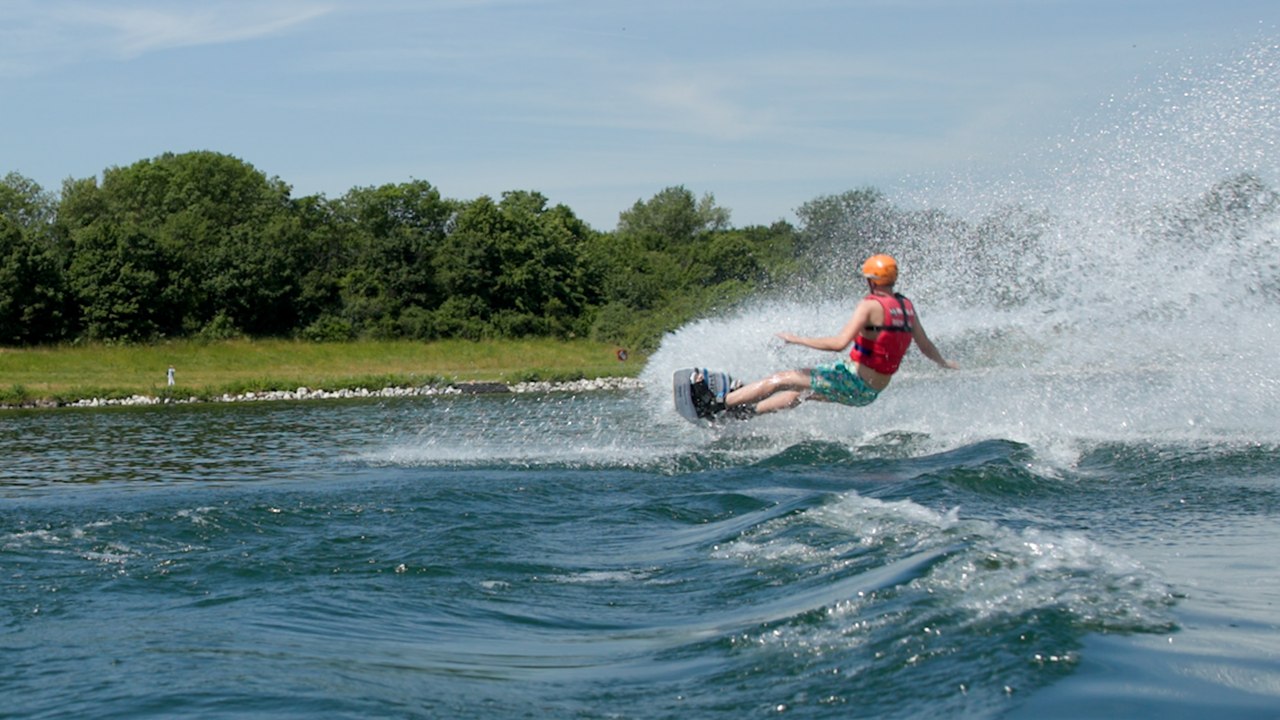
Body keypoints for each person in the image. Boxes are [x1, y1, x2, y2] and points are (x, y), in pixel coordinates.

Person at [717, 254, 958, 416]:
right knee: (799, 393)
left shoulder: (871, 305)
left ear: (871, 281)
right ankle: (745, 413)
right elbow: (925, 345)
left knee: (782, 378)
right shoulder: (906, 307)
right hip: (868, 393)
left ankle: (718, 404)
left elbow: (838, 344)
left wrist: (796, 339)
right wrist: (943, 363)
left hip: (853, 381)